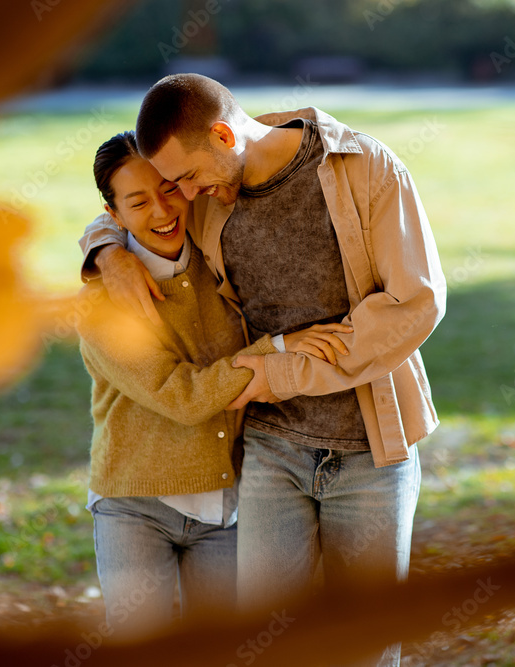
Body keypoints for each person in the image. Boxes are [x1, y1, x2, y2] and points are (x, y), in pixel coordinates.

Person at [80, 75, 446, 665]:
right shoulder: (207, 190)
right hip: (268, 453)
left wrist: (280, 372)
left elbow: (417, 304)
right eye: (178, 183)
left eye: (189, 180)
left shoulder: (363, 168)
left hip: (372, 449)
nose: (185, 196)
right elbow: (138, 210)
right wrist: (105, 252)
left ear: (224, 135)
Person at [77, 130, 352, 639]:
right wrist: (279, 349)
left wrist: (104, 246)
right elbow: (181, 398)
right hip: (135, 507)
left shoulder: (216, 252)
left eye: (168, 189)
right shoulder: (101, 307)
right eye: (138, 202)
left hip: (226, 509)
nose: (161, 210)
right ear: (113, 216)